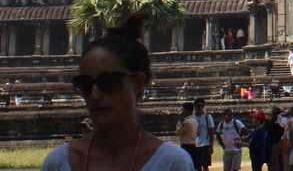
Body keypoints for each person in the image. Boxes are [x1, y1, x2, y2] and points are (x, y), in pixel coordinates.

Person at [41, 13, 194, 171]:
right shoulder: (57, 163)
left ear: (138, 84)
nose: (95, 95)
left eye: (108, 81)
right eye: (85, 84)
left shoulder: (172, 164)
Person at [194, 98, 216, 171]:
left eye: (202, 106)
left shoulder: (207, 117)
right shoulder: (192, 117)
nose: (200, 107)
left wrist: (211, 146)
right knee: (197, 166)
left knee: (205, 166)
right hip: (195, 144)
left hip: (205, 144)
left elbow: (211, 132)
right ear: (195, 106)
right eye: (198, 106)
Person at [177, 103, 199, 167]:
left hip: (186, 146)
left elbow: (178, 132)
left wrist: (179, 120)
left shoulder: (187, 122)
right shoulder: (194, 120)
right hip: (193, 145)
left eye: (183, 110)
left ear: (187, 111)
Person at [265, 107, 285, 171]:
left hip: (272, 146)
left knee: (274, 166)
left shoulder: (269, 124)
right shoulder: (281, 124)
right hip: (280, 145)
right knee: (281, 165)